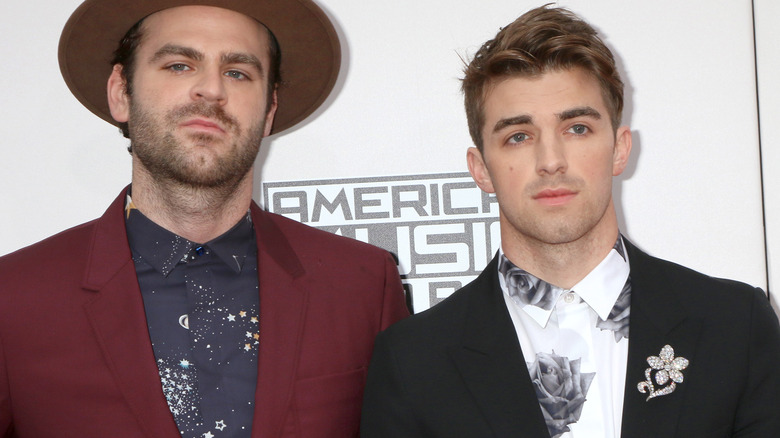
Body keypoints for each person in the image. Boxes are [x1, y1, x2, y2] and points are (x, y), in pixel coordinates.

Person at [360, 5, 780, 438]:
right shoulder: (413, 362)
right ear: (481, 168)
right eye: (518, 136)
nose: (551, 162)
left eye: (577, 128)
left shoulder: (734, 326)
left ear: (619, 149)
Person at [0, 1, 408, 437]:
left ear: (269, 111)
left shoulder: (360, 285)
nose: (211, 89)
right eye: (179, 65)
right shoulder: (14, 299)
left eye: (238, 72)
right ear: (121, 92)